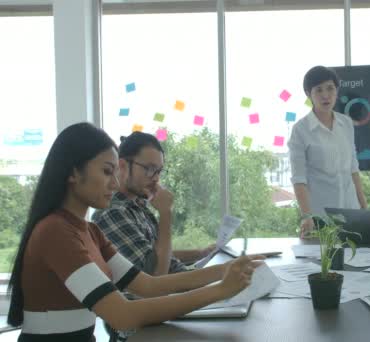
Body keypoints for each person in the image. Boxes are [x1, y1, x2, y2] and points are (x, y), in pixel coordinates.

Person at [7, 122, 263, 341]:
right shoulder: (55, 232)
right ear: (74, 172)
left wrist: (224, 271)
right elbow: (123, 314)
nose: (115, 182)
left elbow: (148, 284)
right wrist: (219, 290)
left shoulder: (91, 231)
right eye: (107, 172)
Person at [92, 132, 215, 276]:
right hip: (159, 296)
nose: (156, 178)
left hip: (178, 289)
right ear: (123, 165)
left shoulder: (138, 206)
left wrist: (201, 254)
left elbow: (158, 255)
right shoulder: (112, 213)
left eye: (159, 171)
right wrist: (165, 213)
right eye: (150, 169)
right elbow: (157, 276)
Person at [288, 65, 367, 237]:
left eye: (330, 88)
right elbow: (299, 179)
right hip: (320, 217)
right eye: (318, 90)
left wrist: (364, 207)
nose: (325, 95)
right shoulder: (301, 129)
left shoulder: (346, 123)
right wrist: (307, 217)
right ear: (309, 94)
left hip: (351, 213)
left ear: (337, 91)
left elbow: (353, 168)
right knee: (323, 262)